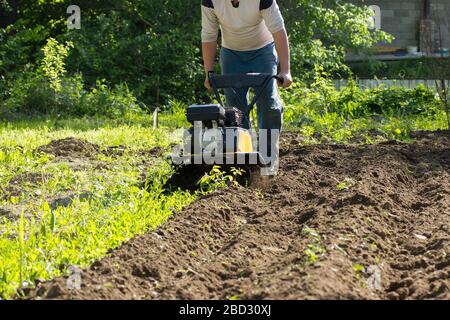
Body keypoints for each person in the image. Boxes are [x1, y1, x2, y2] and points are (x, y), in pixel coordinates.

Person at [201, 0, 292, 174]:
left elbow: (278, 30)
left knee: (268, 103)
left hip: (263, 51)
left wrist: (285, 71)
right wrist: (209, 72)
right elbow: (208, 34)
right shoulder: (211, 1)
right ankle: (243, 160)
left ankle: (268, 160)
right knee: (235, 111)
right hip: (231, 54)